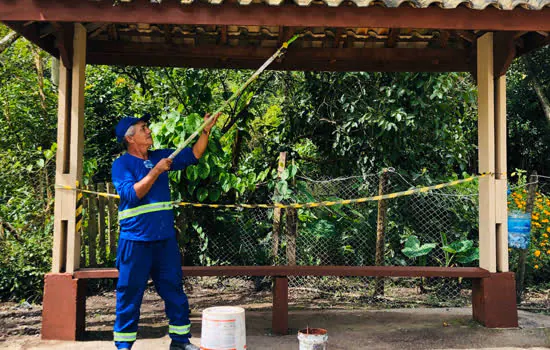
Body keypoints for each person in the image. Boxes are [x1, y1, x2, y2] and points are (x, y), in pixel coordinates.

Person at [111, 113, 219, 350]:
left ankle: (180, 342)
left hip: (164, 241)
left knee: (174, 291)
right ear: (130, 138)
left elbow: (194, 155)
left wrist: (205, 132)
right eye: (143, 128)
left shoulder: (160, 156)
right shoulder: (122, 165)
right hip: (135, 242)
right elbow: (132, 195)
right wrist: (156, 172)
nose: (149, 130)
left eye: (147, 127)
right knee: (129, 295)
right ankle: (123, 346)